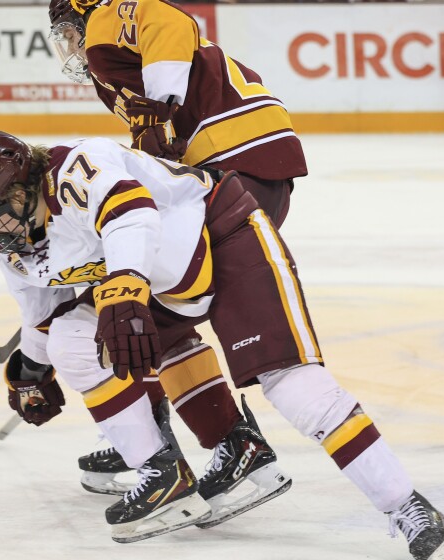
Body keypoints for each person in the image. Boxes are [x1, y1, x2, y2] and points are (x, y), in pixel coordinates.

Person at [0, 129, 444, 558]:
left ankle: (406, 505)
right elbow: (40, 318)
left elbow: (131, 212)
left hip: (223, 235)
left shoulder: (77, 167)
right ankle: (162, 472)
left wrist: (125, 284)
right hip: (161, 281)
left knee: (293, 387)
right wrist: (30, 375)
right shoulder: (17, 252)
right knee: (72, 341)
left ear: (24, 185)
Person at [48, 0, 307, 501]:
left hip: (230, 165)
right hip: (240, 167)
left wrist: (162, 105)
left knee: (133, 306)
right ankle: (174, 434)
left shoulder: (105, 26)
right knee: (143, 304)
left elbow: (165, 18)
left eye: (67, 30)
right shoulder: (116, 63)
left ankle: (207, 440)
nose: (70, 43)